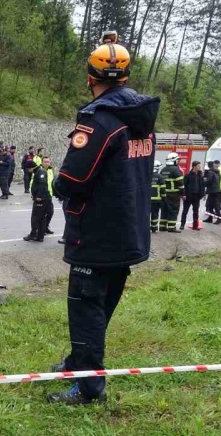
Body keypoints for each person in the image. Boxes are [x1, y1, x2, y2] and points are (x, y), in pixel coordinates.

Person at [47, 36, 160, 405]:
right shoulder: (142, 122)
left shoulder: (98, 121)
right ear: (126, 78)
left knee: (85, 308)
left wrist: (59, 187)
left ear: (90, 78)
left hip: (95, 233)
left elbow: (74, 178)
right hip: (129, 231)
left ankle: (88, 387)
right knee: (104, 302)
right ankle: (79, 363)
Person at [23, 158, 52, 241]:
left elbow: (42, 185)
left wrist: (39, 196)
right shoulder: (38, 171)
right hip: (43, 198)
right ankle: (40, 236)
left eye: (28, 169)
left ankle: (33, 234)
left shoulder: (40, 172)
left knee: (35, 217)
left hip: (41, 199)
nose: (28, 171)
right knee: (41, 218)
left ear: (31, 167)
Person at [159, 153, 184, 232]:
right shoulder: (176, 170)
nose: (178, 162)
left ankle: (162, 226)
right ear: (174, 161)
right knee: (173, 210)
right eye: (178, 160)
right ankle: (171, 227)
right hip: (174, 194)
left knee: (164, 210)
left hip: (164, 194)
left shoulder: (163, 170)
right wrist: (183, 194)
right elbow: (181, 184)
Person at [180, 161, 205, 230]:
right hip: (188, 196)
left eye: (200, 166)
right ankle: (182, 224)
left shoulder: (200, 176)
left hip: (197, 197)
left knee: (196, 212)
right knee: (185, 211)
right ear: (194, 167)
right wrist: (183, 194)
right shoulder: (188, 175)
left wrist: (202, 194)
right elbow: (184, 185)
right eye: (198, 166)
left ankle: (195, 226)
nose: (200, 167)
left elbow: (202, 185)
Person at [40, 156, 56, 235]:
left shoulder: (51, 170)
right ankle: (41, 229)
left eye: (48, 162)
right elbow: (33, 183)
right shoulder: (39, 170)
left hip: (49, 195)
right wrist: (34, 195)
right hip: (41, 196)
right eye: (45, 162)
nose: (46, 163)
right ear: (42, 162)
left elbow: (53, 182)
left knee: (50, 212)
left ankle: (46, 227)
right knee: (41, 214)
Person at [203, 160, 221, 224]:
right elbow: (219, 181)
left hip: (212, 190)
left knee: (214, 205)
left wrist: (203, 182)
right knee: (212, 204)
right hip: (216, 190)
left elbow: (209, 181)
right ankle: (210, 218)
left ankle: (219, 219)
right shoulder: (217, 172)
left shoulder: (210, 172)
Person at [150, 159, 164, 232]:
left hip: (147, 200)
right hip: (156, 200)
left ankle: (145, 228)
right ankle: (154, 228)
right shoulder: (160, 177)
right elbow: (163, 189)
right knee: (155, 214)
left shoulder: (146, 175)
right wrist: (164, 197)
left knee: (146, 214)